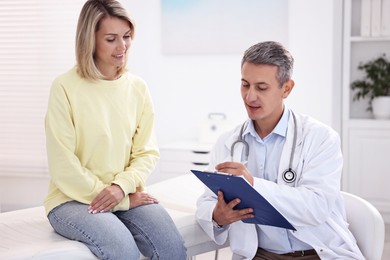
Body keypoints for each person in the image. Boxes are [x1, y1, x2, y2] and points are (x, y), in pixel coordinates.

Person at [44, 1, 186, 259]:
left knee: (171, 247)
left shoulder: (137, 88)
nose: (122, 47)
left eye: (127, 37)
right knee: (122, 249)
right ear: (90, 40)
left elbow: (146, 153)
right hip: (71, 200)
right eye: (111, 39)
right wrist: (118, 199)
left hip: (125, 192)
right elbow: (63, 165)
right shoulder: (65, 87)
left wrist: (121, 189)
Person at [196, 41, 364, 260]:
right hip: (261, 255)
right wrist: (217, 216)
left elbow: (317, 207)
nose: (250, 97)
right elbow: (206, 201)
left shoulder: (321, 138)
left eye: (261, 87)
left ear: (286, 88)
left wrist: (253, 185)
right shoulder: (228, 143)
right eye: (245, 85)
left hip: (317, 252)